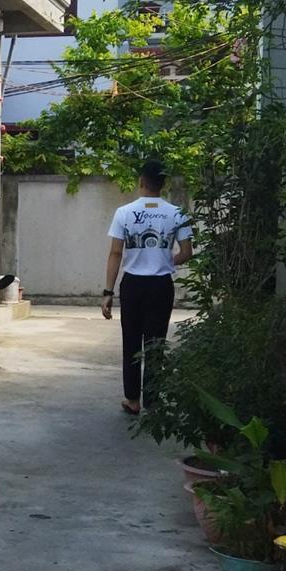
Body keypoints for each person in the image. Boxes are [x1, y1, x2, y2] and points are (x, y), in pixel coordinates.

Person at [100, 159, 191, 414]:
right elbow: (187, 252)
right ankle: (153, 401)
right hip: (161, 286)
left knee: (131, 341)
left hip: (133, 285)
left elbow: (116, 253)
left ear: (141, 181)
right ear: (163, 184)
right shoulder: (177, 213)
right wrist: (166, 261)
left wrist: (108, 292)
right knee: (156, 342)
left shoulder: (124, 212)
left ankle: (133, 400)